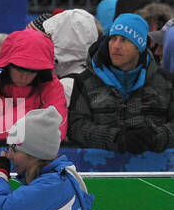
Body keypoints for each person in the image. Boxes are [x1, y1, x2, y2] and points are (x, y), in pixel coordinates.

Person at [68, 13, 174, 153]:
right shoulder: (86, 81)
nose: (116, 46)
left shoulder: (166, 82)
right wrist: (116, 138)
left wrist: (154, 138)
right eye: (113, 38)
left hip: (156, 170)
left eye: (124, 40)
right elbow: (76, 126)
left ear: (139, 47)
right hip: (99, 169)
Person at [0, 28, 68, 144]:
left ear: (41, 71)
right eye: (20, 68)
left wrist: (6, 122)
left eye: (32, 71)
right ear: (8, 65)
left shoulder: (51, 85)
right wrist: (36, 115)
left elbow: (57, 132)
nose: (25, 76)